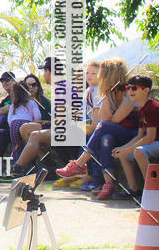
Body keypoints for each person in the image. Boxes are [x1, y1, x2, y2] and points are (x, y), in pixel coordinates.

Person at [54, 58, 139, 195]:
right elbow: (107, 118)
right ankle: (108, 184)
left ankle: (79, 164)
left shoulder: (129, 93)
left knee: (103, 127)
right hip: (117, 133)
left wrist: (105, 97)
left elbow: (113, 121)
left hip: (134, 134)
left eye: (102, 74)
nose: (99, 77)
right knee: (106, 138)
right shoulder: (110, 93)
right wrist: (106, 94)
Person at [111, 75, 159, 200]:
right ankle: (133, 189)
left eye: (134, 88)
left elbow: (150, 138)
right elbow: (140, 135)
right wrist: (123, 149)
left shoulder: (152, 108)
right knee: (123, 153)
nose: (130, 91)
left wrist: (129, 149)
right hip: (154, 142)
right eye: (128, 88)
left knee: (139, 151)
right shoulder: (141, 109)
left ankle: (152, 193)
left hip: (156, 141)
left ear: (146, 90)